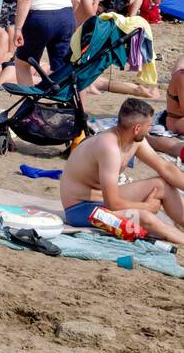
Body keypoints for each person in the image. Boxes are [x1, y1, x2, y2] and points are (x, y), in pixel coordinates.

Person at [61, 98, 184, 245]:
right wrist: (148, 207)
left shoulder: (135, 140)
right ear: (137, 128)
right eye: (149, 126)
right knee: (144, 217)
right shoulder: (109, 148)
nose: (150, 129)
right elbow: (112, 203)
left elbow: (165, 168)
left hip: (100, 199)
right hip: (81, 210)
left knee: (161, 185)